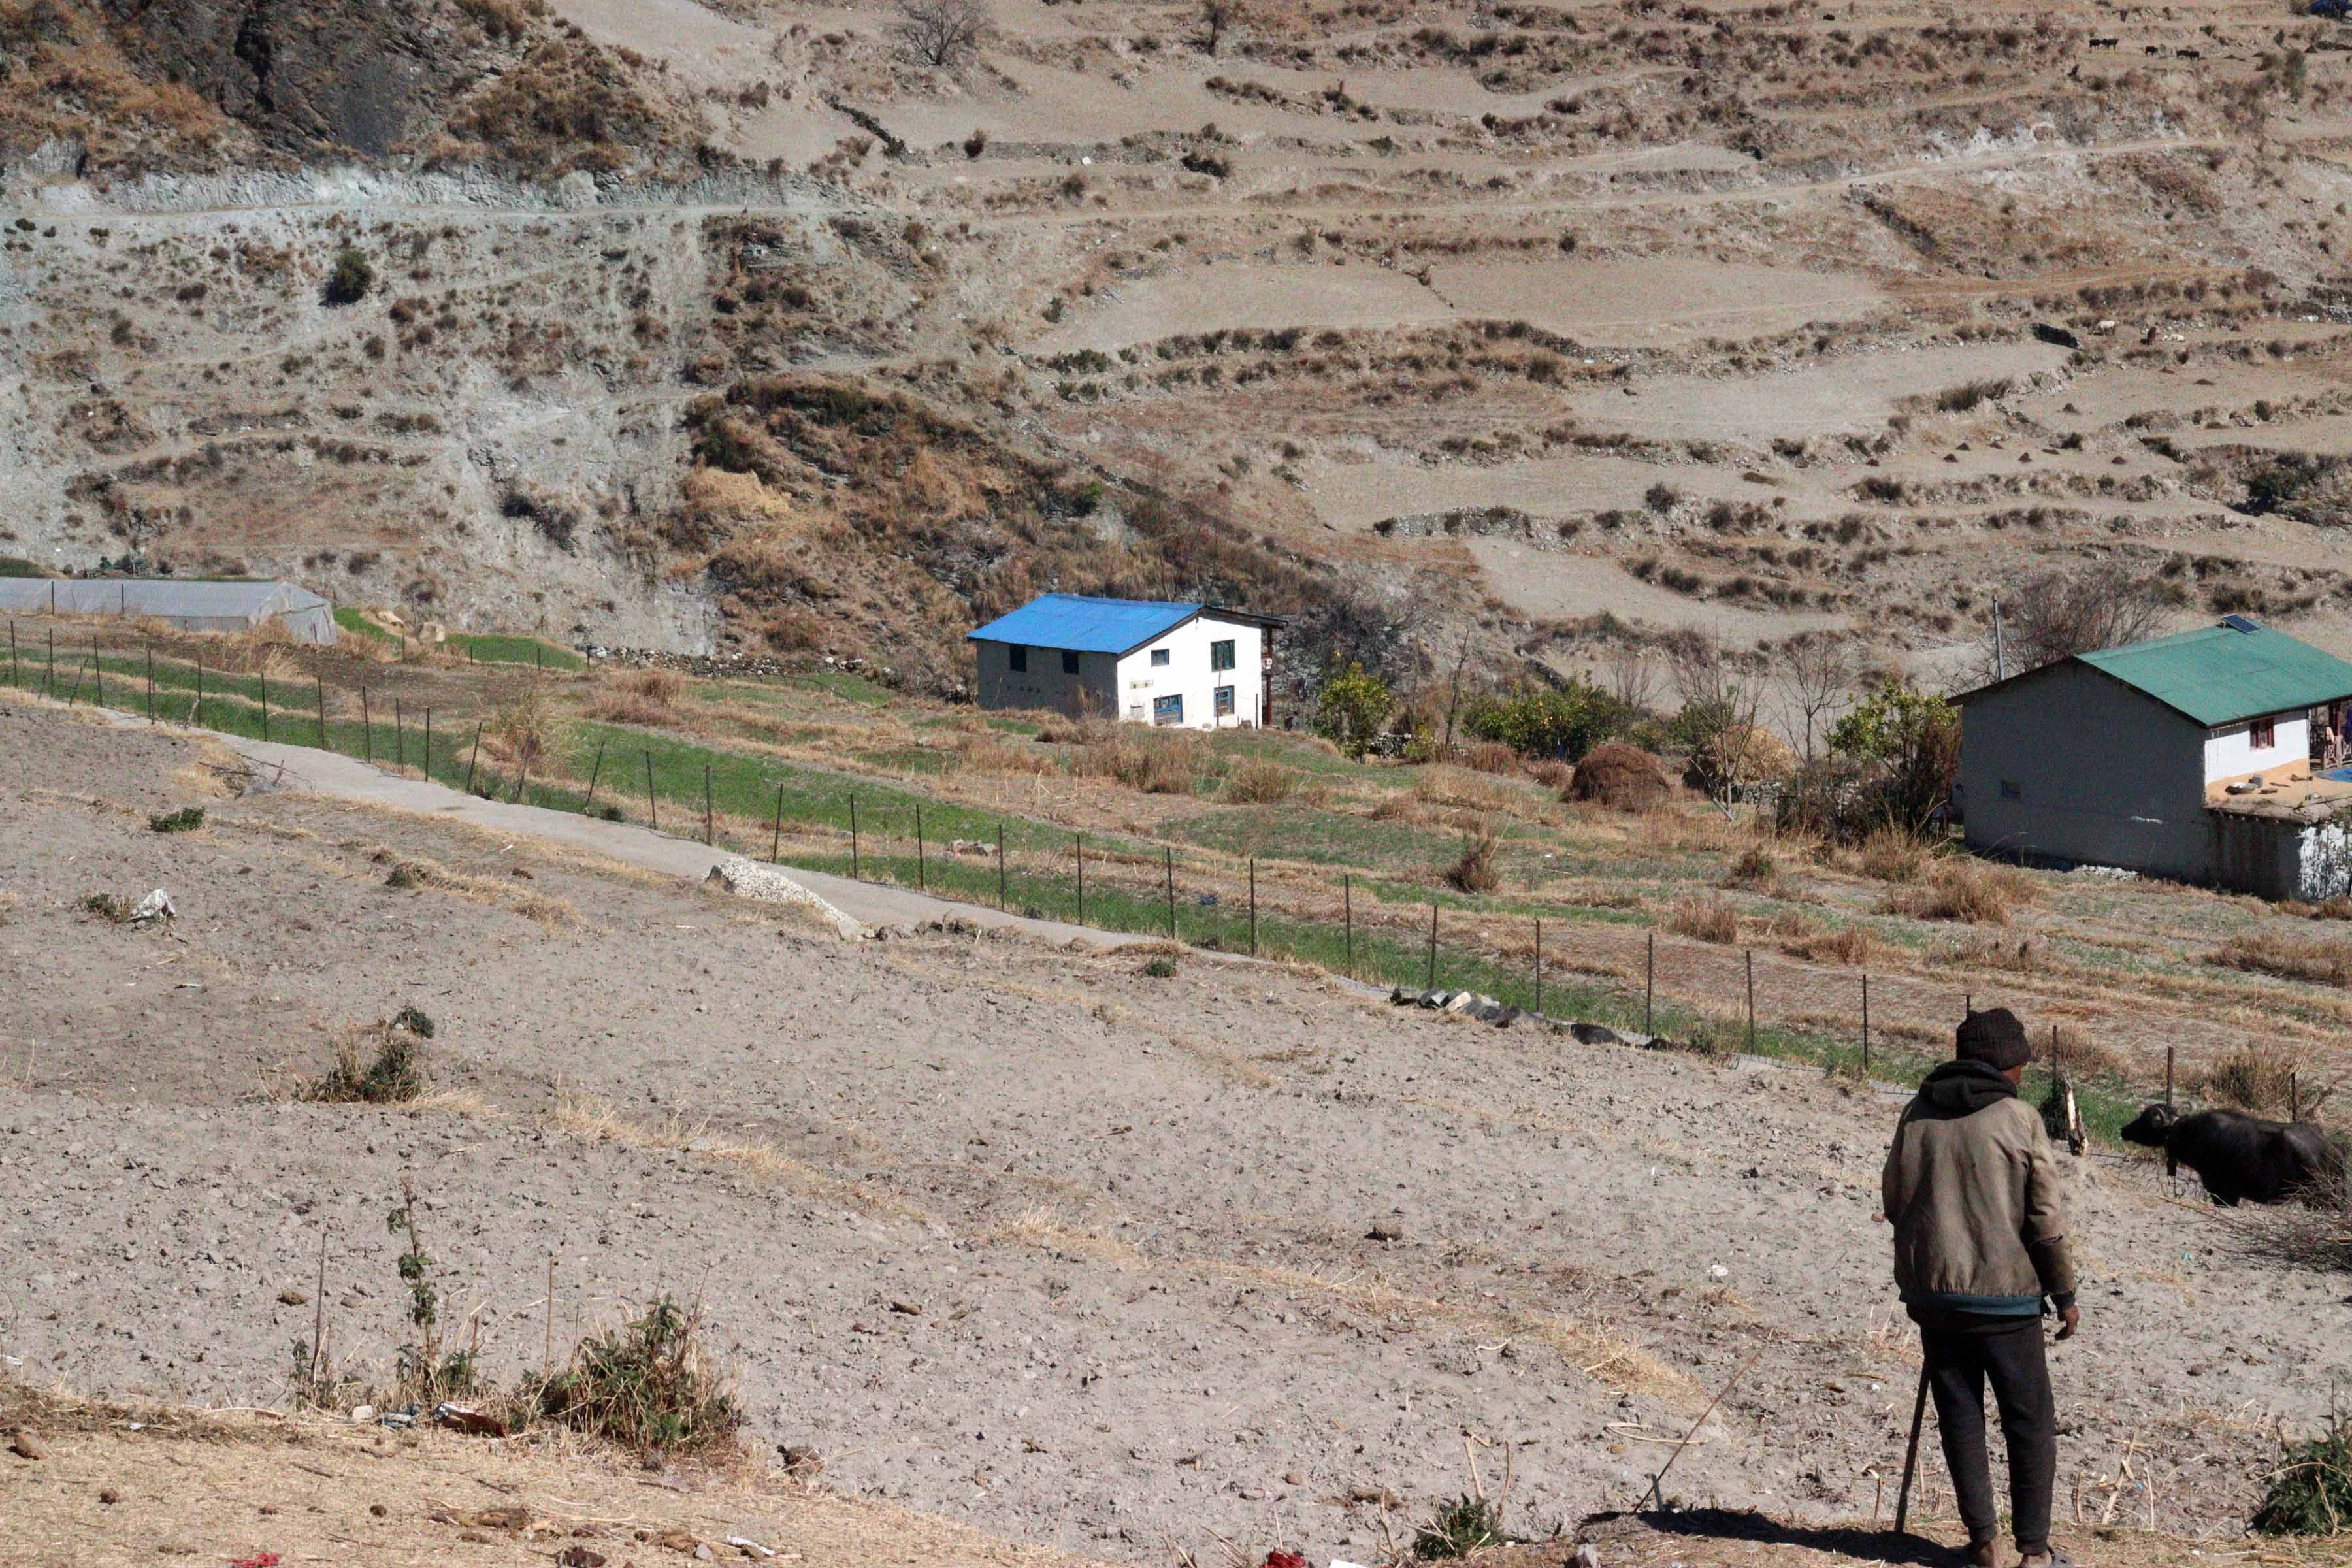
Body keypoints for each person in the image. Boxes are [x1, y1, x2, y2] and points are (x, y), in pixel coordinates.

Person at [1882, 1007, 2080, 1568]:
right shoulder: (2019, 1120)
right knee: (2029, 1418)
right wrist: (2064, 1294)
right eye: (2020, 1064)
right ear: (2005, 1066)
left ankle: (1985, 1543)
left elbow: (1895, 1201)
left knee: (1961, 1415)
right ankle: (2035, 1553)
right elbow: (2044, 1220)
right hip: (2006, 1299)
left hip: (1935, 1298)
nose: (2023, 1074)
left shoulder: (1916, 1114)